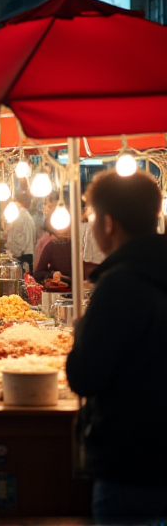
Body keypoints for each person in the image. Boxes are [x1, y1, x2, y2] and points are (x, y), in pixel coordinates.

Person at [66, 170, 167, 523]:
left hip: (131, 463)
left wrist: (81, 331)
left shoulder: (119, 284)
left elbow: (83, 375)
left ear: (108, 224)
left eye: (91, 218)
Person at [6, 192, 36, 273]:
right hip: (21, 256)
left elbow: (24, 242)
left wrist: (13, 252)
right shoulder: (19, 216)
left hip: (25, 257)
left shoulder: (24, 217)